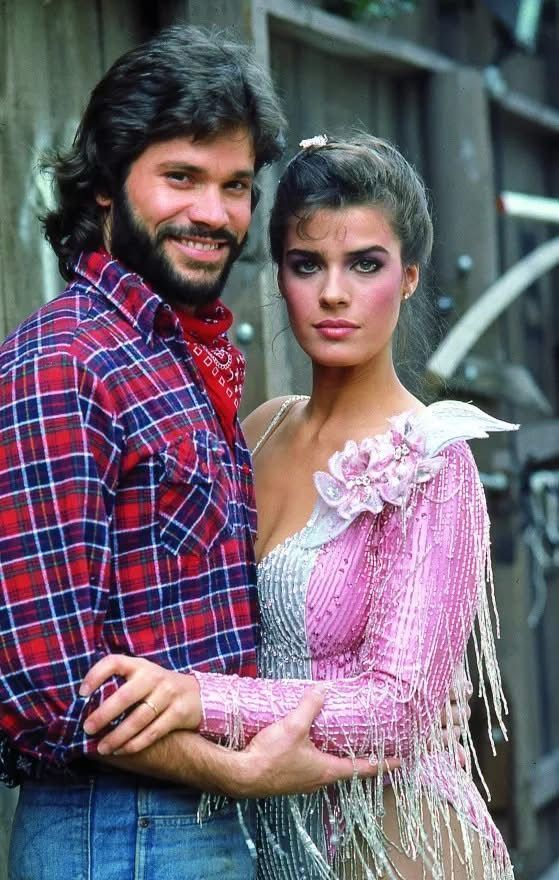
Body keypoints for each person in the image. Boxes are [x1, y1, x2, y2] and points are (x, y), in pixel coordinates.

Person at [0, 28, 388, 880]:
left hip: (192, 820)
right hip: (118, 830)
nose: (214, 214)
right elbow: (44, 684)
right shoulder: (67, 362)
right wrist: (239, 771)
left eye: (235, 186)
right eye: (181, 177)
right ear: (106, 184)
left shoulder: (171, 357)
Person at [81, 134, 517, 880]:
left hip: (396, 837)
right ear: (278, 275)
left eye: (365, 264)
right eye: (307, 264)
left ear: (409, 277)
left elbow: (396, 709)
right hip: (258, 831)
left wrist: (197, 701)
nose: (334, 293)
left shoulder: (433, 462)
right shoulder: (257, 430)